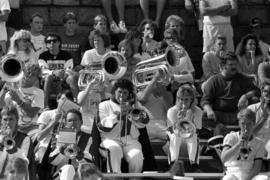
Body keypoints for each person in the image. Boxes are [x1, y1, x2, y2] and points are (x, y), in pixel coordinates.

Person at [98, 78, 149, 176]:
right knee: (114, 149)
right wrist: (117, 116)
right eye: (119, 92)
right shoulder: (104, 105)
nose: (121, 95)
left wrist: (134, 108)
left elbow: (145, 122)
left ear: (129, 94)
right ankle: (115, 178)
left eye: (125, 93)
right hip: (110, 140)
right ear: (114, 92)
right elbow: (101, 126)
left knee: (137, 155)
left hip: (130, 141)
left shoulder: (135, 105)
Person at [201, 52, 260, 136]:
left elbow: (257, 91)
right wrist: (209, 110)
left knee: (255, 101)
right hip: (218, 116)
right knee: (203, 115)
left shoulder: (241, 78)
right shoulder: (214, 81)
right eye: (231, 64)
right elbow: (205, 101)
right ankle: (221, 129)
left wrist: (245, 96)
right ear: (223, 66)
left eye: (235, 64)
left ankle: (244, 132)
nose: (234, 67)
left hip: (238, 115)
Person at [0, 64, 44, 136]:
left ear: (36, 79)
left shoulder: (39, 92)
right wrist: (5, 88)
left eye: (33, 75)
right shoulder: (12, 90)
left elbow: (32, 114)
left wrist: (19, 101)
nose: (29, 75)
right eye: (28, 72)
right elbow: (1, 105)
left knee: (37, 137)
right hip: (11, 126)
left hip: (31, 128)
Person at [221, 108, 265, 180]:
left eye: (249, 124)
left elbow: (257, 167)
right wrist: (238, 145)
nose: (246, 127)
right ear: (239, 124)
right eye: (243, 123)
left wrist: (247, 179)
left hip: (250, 175)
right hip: (232, 173)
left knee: (264, 178)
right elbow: (224, 158)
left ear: (254, 123)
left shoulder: (259, 143)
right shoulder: (231, 137)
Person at [166, 85, 202, 172]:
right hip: (175, 136)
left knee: (193, 136)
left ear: (191, 100)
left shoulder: (198, 111)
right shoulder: (172, 111)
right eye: (180, 99)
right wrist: (179, 120)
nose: (183, 102)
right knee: (175, 136)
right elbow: (171, 130)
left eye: (186, 99)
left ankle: (194, 165)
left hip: (190, 136)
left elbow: (198, 129)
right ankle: (173, 163)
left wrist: (189, 118)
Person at [48, 109, 93, 178]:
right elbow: (52, 161)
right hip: (61, 174)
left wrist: (79, 153)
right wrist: (62, 148)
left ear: (81, 122)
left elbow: (90, 163)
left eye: (75, 120)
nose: (72, 123)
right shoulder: (58, 136)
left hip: (81, 175)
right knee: (68, 168)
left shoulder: (88, 138)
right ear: (66, 123)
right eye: (69, 120)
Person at [38, 32, 75, 109]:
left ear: (59, 42)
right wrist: (54, 72)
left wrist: (61, 76)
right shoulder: (43, 56)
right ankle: (45, 106)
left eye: (54, 41)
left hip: (63, 79)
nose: (52, 43)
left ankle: (75, 103)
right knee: (48, 77)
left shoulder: (67, 55)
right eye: (49, 42)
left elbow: (69, 70)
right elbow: (43, 70)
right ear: (46, 45)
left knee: (71, 78)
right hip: (48, 81)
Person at [0, 106, 35, 180]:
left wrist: (10, 144)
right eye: (5, 119)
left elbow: (23, 162)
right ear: (1, 121)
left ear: (17, 120)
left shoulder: (25, 139)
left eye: (11, 119)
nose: (8, 123)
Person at [137, 71, 173, 140]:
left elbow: (170, 111)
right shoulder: (141, 93)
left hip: (163, 126)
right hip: (147, 125)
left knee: (175, 138)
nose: (156, 82)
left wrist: (163, 92)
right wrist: (155, 78)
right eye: (153, 80)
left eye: (159, 79)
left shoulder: (167, 94)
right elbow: (142, 100)